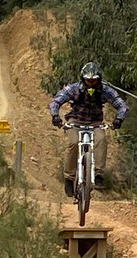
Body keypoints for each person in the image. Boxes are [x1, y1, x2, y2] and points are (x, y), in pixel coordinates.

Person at [48, 61, 128, 197]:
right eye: (88, 80)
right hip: (75, 121)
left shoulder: (105, 90)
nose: (91, 83)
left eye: (94, 80)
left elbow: (121, 105)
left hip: (95, 123)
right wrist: (55, 115)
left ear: (99, 79)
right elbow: (56, 101)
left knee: (101, 140)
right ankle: (69, 178)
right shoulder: (74, 89)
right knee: (73, 142)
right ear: (83, 79)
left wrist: (119, 118)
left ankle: (98, 175)